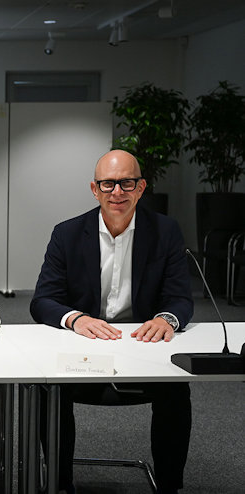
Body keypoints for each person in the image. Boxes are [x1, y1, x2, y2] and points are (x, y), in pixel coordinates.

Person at [30, 149, 193, 494]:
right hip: (82, 351)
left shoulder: (165, 231)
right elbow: (43, 300)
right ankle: (60, 484)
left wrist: (167, 318)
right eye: (108, 184)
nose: (117, 192)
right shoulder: (67, 234)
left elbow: (181, 297)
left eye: (126, 183)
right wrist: (74, 319)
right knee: (48, 390)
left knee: (177, 388)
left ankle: (169, 487)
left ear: (141, 187)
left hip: (144, 350)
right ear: (94, 189)